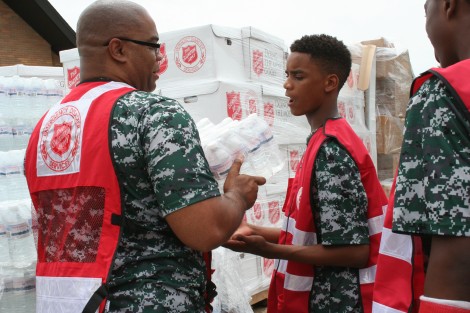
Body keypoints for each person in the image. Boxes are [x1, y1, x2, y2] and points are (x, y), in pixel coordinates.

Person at [23, 1, 266, 312]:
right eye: (153, 46)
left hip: (69, 301)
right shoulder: (155, 113)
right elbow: (204, 230)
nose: (160, 57)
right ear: (118, 49)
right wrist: (237, 197)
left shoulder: (45, 128)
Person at [224, 34, 387, 313]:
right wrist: (255, 232)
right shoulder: (320, 140)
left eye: (298, 77)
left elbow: (355, 251)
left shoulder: (331, 151)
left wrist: (268, 250)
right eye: (287, 75)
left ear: (330, 83)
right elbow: (317, 235)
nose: (287, 85)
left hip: (337, 302)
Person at [374, 0, 470, 312]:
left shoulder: (445, 94)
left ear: (448, 5)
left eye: (425, 9)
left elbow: (456, 252)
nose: (425, 24)